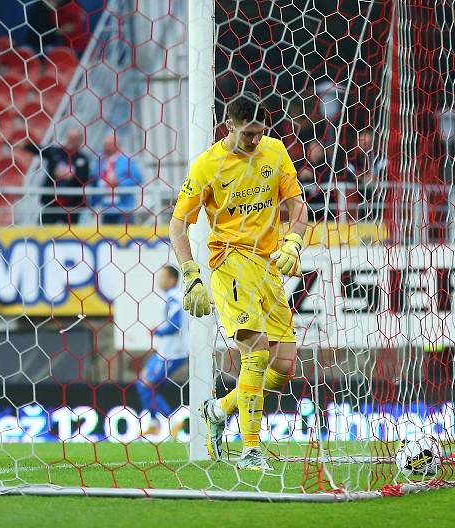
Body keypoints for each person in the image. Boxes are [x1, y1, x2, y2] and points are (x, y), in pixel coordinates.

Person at [169, 92, 308, 470]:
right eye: (248, 133)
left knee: (283, 367)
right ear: (229, 125)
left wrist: (293, 244)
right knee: (257, 352)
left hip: (269, 265)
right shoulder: (208, 165)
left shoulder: (275, 151)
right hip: (230, 263)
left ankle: (218, 409)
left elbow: (297, 204)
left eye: (260, 132)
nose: (254, 140)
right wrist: (191, 276)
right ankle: (250, 450)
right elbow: (178, 225)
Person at [135, 265, 188, 439]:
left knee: (146, 384)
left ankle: (171, 421)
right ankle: (153, 423)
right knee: (144, 383)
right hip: (165, 352)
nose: (159, 279)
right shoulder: (170, 298)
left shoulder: (174, 297)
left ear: (172, 279)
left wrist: (156, 331)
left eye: (163, 276)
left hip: (173, 353)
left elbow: (174, 324)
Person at [26, 127, 91, 224]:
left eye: (75, 139)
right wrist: (23, 144)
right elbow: (39, 149)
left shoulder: (83, 159)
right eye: (70, 138)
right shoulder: (55, 152)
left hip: (71, 205)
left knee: (70, 236)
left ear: (80, 141)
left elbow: (84, 179)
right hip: (52, 202)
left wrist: (72, 175)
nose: (71, 141)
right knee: (43, 232)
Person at [94, 133, 143, 224]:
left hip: (123, 207)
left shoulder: (126, 160)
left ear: (117, 145)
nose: (106, 147)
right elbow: (94, 180)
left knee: (124, 234)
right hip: (105, 207)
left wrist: (119, 181)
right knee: (108, 236)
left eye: (109, 145)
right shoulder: (99, 161)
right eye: (105, 145)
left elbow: (137, 178)